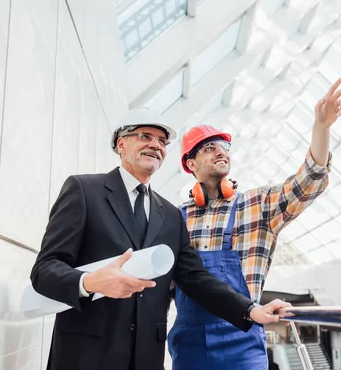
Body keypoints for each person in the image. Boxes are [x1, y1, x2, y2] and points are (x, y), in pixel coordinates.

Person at [30, 108, 292, 370]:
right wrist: (89, 281)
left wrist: (250, 310)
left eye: (162, 141)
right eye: (145, 136)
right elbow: (44, 270)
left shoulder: (169, 214)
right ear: (121, 144)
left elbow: (195, 279)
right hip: (87, 356)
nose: (155, 145)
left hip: (145, 357)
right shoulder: (84, 191)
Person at [168, 77, 341, 369]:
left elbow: (310, 181)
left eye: (224, 146)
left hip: (243, 342)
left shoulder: (257, 206)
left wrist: (322, 127)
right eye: (209, 147)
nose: (221, 151)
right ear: (190, 163)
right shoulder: (175, 218)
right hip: (190, 347)